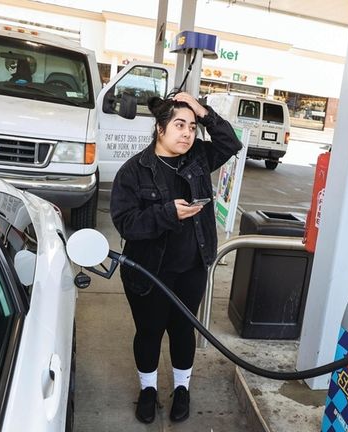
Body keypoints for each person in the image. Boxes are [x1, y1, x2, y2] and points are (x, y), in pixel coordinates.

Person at [110, 92, 241, 424]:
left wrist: (200, 109)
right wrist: (167, 213)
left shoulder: (197, 158)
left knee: (184, 330)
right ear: (159, 128)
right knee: (150, 331)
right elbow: (125, 223)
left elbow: (230, 143)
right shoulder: (134, 171)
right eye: (179, 125)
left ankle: (182, 388)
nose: (187, 133)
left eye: (192, 126)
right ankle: (149, 389)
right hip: (148, 272)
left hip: (191, 267)